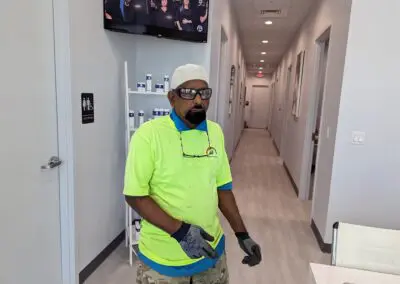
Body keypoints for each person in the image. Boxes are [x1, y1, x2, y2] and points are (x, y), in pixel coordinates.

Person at [124, 64, 262, 284]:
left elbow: (223, 190)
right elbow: (134, 195)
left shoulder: (215, 132)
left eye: (204, 93)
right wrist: (181, 232)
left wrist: (242, 234)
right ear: (172, 98)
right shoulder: (148, 136)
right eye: (188, 93)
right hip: (163, 264)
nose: (198, 101)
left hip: (211, 256)